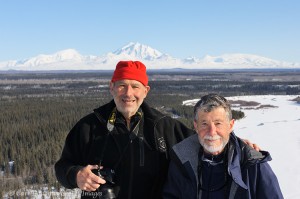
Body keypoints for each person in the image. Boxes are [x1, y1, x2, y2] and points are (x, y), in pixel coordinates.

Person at [55, 61, 260, 199]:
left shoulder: (163, 126)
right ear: (111, 87)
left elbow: (207, 137)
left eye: (135, 86)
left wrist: (237, 145)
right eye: (121, 86)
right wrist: (76, 175)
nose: (128, 93)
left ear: (146, 90)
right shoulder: (89, 126)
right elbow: (63, 166)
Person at [163, 94, 283, 199]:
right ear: (196, 126)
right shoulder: (182, 161)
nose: (212, 132)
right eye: (204, 124)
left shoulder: (253, 164)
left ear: (230, 125)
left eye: (218, 123)